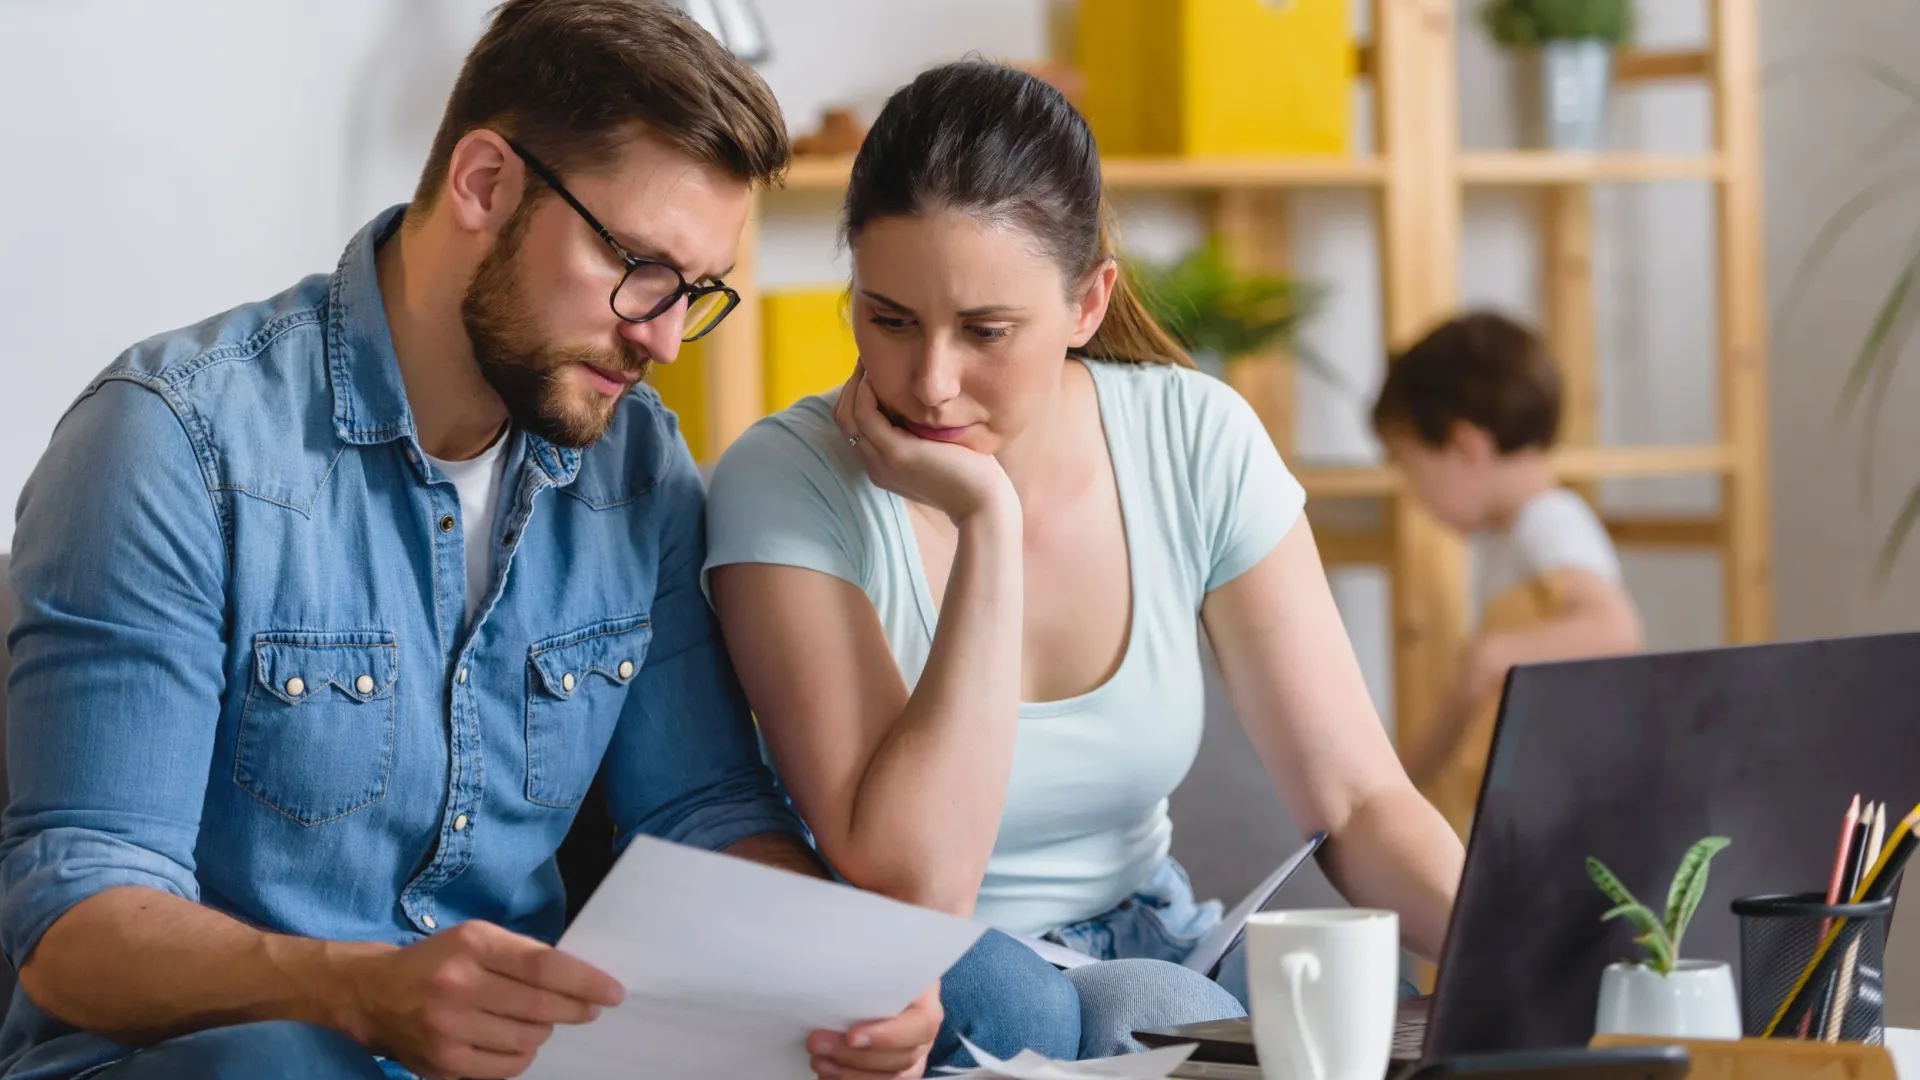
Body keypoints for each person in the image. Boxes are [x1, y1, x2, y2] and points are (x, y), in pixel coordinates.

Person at [0, 6, 1076, 1079]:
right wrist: (359, 992)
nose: (660, 335)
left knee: (987, 996)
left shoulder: (633, 464)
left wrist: (842, 982)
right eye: (640, 266)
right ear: (483, 184)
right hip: (232, 1055)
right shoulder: (174, 443)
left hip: (522, 1056)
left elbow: (703, 814)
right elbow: (73, 928)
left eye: (693, 293)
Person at [703, 60, 1466, 1059]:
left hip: (1147, 932)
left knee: (1341, 993)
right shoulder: (784, 480)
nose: (930, 382)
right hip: (919, 960)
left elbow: (1360, 800)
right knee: (1034, 1013)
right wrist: (988, 526)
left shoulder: (1196, 440)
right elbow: (908, 879)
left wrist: (1525, 954)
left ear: (1087, 304)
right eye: (888, 319)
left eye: (986, 331)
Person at [1372, 311, 1644, 837]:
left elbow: (1614, 627)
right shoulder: (1512, 534)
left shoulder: (1548, 519)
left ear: (1464, 446)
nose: (1413, 493)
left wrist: (1491, 655)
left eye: (1409, 466)